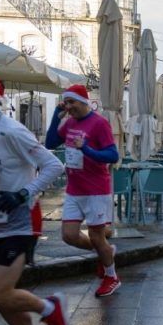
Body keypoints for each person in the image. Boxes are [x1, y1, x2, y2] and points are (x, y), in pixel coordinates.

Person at [0, 72, 70, 325]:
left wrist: (23, 193)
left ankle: (50, 308)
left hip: (19, 223)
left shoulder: (11, 131)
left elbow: (53, 165)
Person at [45, 85, 121, 297]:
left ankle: (111, 276)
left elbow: (113, 155)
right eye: (66, 103)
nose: (68, 107)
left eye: (72, 102)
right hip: (74, 190)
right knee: (69, 236)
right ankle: (105, 252)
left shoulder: (99, 123)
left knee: (97, 237)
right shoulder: (69, 123)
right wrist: (55, 115)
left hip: (96, 190)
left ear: (83, 101)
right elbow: (50, 142)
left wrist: (85, 149)